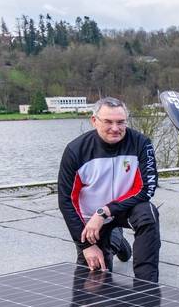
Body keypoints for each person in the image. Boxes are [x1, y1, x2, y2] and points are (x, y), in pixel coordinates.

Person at [57, 97, 161, 282]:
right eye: (108, 122)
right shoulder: (75, 150)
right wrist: (85, 246)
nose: (115, 128)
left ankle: (146, 286)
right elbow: (66, 200)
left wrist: (106, 211)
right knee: (95, 283)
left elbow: (146, 188)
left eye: (120, 122)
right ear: (94, 120)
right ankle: (117, 243)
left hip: (124, 210)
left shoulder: (141, 143)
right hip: (91, 221)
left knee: (148, 213)